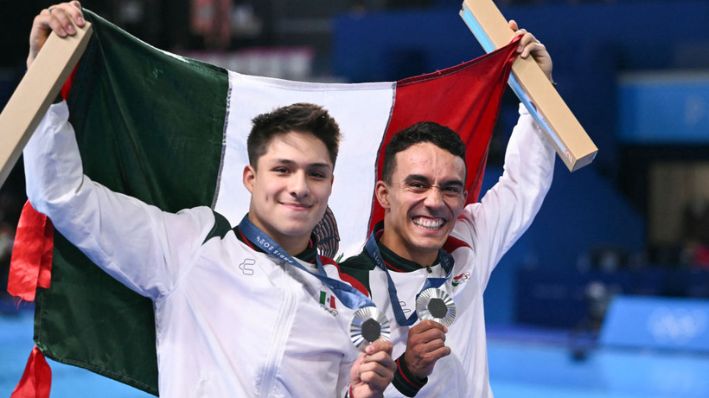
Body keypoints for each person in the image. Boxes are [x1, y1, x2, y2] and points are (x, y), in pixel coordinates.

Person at [24, 2, 396, 397]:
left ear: (331, 185)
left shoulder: (349, 297)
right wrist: (43, 81)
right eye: (283, 169)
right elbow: (62, 195)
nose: (300, 187)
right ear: (250, 178)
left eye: (315, 173)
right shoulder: (191, 247)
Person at [341, 22, 556, 397]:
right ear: (384, 194)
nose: (436, 202)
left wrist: (537, 91)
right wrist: (408, 372)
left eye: (451, 189)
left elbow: (524, 184)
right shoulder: (347, 288)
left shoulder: (467, 243)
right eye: (418, 184)